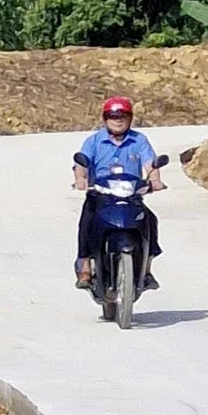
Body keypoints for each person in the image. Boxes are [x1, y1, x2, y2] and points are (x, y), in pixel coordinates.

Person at [72, 96, 164, 290]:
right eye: (113, 116)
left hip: (131, 195)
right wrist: (81, 178)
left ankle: (146, 270)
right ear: (105, 118)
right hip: (101, 195)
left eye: (123, 116)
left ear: (130, 118)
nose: (118, 120)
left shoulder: (139, 140)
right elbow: (81, 163)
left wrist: (155, 180)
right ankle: (85, 266)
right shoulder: (94, 141)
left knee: (149, 220)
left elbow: (150, 164)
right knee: (87, 221)